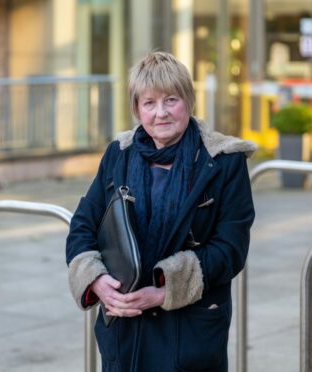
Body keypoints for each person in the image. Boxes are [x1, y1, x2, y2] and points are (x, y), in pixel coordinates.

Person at [66, 51, 256, 371]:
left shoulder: (224, 162)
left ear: (189, 101)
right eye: (149, 103)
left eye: (171, 100)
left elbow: (231, 248)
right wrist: (96, 279)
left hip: (190, 332)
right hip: (125, 328)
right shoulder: (119, 154)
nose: (161, 113)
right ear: (137, 109)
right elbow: (84, 224)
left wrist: (166, 289)